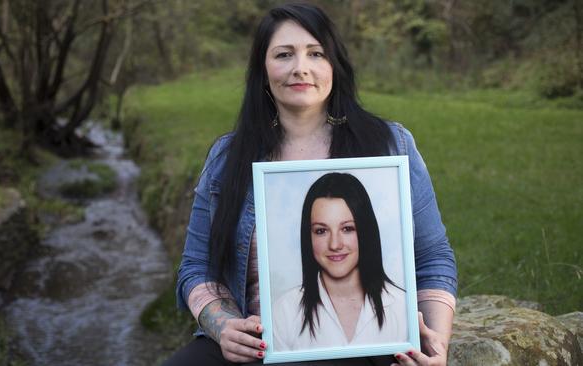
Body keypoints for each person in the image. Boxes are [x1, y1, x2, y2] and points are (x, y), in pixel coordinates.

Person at [163, 3, 457, 366]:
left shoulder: (389, 145)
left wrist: (435, 345)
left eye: (315, 53)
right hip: (256, 346)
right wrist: (224, 327)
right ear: (263, 70)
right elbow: (196, 266)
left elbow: (432, 258)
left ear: (334, 65)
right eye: (284, 55)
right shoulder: (228, 158)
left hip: (370, 344)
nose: (300, 68)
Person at [272, 172, 407, 352]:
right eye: (321, 231)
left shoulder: (403, 308)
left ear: (365, 231)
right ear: (308, 237)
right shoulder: (284, 313)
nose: (335, 244)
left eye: (347, 229)